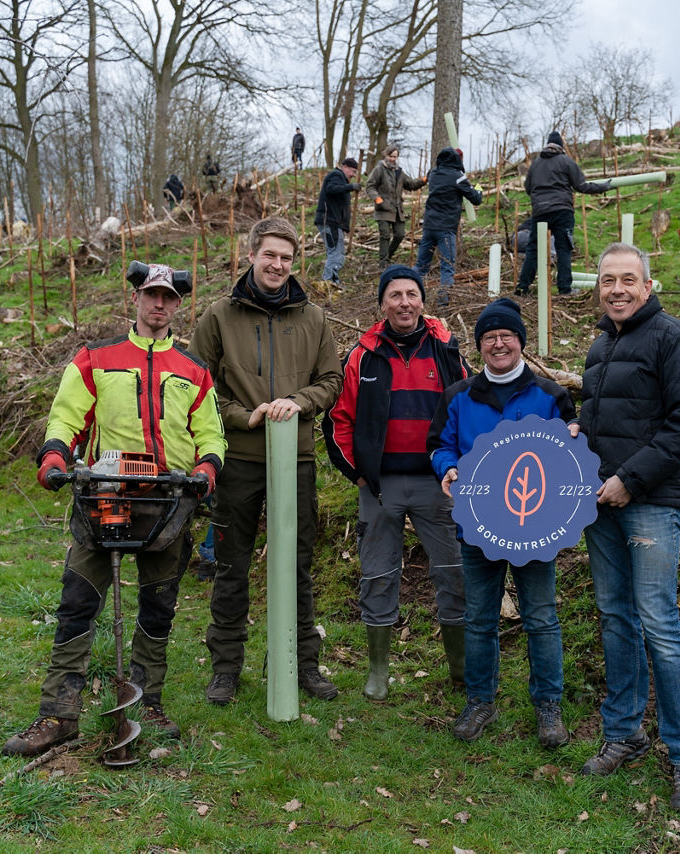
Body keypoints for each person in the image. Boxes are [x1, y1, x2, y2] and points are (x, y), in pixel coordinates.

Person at [2, 263, 225, 757]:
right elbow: (66, 416)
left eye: (168, 297)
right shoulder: (95, 359)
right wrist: (55, 455)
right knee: (78, 601)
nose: (159, 305)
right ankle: (58, 713)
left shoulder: (194, 372)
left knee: (158, 606)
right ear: (136, 299)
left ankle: (147, 704)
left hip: (169, 503)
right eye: (152, 295)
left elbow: (210, 434)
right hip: (103, 497)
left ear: (178, 304)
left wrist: (207, 469)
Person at [576, 242, 680, 813]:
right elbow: (599, 416)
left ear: (647, 286)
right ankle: (625, 731)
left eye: (628, 279)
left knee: (658, 621)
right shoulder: (600, 345)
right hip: (600, 504)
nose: (617, 289)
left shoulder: (674, 339)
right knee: (614, 617)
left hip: (648, 501)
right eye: (608, 280)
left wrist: (630, 479)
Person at [189, 216, 344, 704]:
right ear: (251, 255)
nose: (277, 265)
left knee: (297, 565)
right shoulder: (218, 317)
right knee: (232, 565)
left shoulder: (313, 318)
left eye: (286, 258)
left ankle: (302, 664)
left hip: (295, 460)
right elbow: (197, 387)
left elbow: (332, 380)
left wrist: (298, 403)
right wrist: (242, 416)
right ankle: (226, 669)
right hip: (238, 461)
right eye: (269, 255)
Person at [428, 298, 575, 748]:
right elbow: (439, 446)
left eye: (506, 336)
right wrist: (448, 469)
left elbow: (572, 450)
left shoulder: (551, 396)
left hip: (536, 526)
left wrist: (571, 438)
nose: (498, 343)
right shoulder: (458, 397)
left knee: (542, 617)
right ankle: (480, 701)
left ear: (521, 344)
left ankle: (548, 706)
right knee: (479, 618)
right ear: (478, 347)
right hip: (479, 524)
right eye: (489, 337)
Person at [324, 265, 470, 701]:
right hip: (380, 485)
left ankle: (460, 670)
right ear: (382, 303)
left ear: (422, 300)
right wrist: (359, 471)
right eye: (395, 295)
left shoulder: (446, 350)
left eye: (412, 293)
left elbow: (466, 408)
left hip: (437, 483)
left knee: (453, 573)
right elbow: (339, 420)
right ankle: (378, 671)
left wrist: (460, 466)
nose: (404, 302)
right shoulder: (362, 355)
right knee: (378, 575)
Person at [515, 131, 612, 297]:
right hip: (562, 211)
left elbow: (528, 188)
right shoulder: (566, 161)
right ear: (561, 146)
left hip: (540, 212)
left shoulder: (536, 164)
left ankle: (522, 288)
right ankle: (564, 289)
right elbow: (582, 186)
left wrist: (540, 200)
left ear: (548, 145)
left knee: (533, 250)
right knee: (564, 249)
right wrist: (604, 187)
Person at [415, 147, 483, 306]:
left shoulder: (433, 174)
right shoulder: (458, 177)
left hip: (429, 227)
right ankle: (443, 304)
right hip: (446, 229)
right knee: (447, 268)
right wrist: (478, 187)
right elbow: (476, 199)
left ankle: (409, 294)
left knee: (421, 266)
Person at [365, 145, 426, 271]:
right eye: (391, 156)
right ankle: (383, 264)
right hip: (383, 209)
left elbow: (411, 184)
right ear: (386, 156)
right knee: (385, 235)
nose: (393, 159)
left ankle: (388, 257)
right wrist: (377, 198)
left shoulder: (399, 171)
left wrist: (424, 180)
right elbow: (370, 186)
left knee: (400, 235)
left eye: (395, 157)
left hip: (397, 210)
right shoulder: (379, 169)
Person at [314, 157, 360, 286]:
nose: (353, 175)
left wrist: (345, 227)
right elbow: (331, 189)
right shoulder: (336, 175)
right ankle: (329, 282)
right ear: (344, 167)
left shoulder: (341, 179)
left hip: (334, 222)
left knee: (335, 252)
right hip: (330, 221)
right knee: (336, 253)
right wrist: (350, 186)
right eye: (352, 171)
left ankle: (332, 281)